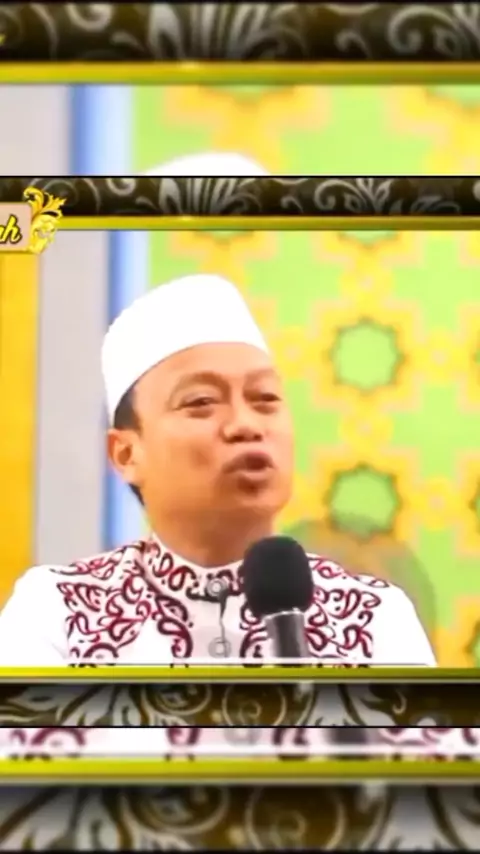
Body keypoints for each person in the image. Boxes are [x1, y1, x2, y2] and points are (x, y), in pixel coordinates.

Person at [0, 274, 436, 665]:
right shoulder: (59, 614)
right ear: (126, 454)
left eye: (265, 399)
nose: (246, 425)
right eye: (201, 402)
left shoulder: (373, 620)